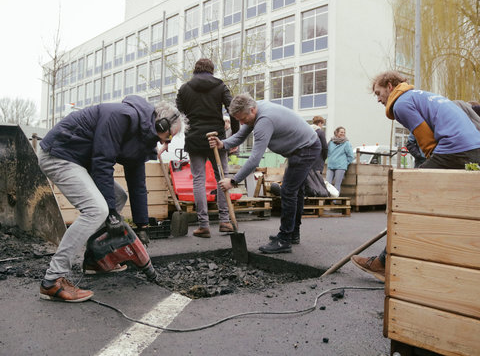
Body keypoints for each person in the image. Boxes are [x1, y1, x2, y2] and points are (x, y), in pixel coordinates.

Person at [37, 96, 184, 302]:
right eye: (168, 136)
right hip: (59, 154)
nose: (165, 142)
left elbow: (137, 182)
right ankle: (53, 280)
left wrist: (142, 226)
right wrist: (112, 215)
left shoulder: (141, 137)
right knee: (97, 210)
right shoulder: (121, 116)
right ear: (162, 123)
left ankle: (94, 260)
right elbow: (102, 163)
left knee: (117, 197)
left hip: (78, 159)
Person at [351, 70, 480, 282]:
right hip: (474, 147)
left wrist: (425, 174)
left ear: (390, 87)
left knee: (408, 198)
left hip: (455, 148)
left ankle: (383, 264)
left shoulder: (401, 103)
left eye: (378, 92)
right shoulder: (419, 95)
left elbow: (426, 141)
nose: (378, 98)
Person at [208, 93, 321, 253]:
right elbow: (240, 136)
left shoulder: (264, 121)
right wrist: (223, 143)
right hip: (303, 147)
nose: (241, 123)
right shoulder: (254, 111)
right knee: (296, 191)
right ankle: (292, 234)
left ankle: (284, 240)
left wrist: (233, 182)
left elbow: (255, 159)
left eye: (242, 119)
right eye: (239, 119)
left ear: (252, 110)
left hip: (306, 149)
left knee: (289, 191)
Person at [176, 58, 239, 238]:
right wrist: (234, 137)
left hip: (195, 138)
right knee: (222, 176)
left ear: (195, 70)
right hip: (216, 138)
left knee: (198, 179)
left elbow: (178, 114)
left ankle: (203, 225)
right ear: (211, 70)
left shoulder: (184, 89)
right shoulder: (220, 86)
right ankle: (225, 221)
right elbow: (233, 109)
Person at [325, 127, 354, 195]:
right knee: (327, 184)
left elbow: (351, 156)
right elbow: (328, 153)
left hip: (340, 167)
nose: (343, 134)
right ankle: (327, 199)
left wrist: (345, 163)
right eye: (341, 132)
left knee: (337, 184)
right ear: (337, 133)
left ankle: (334, 201)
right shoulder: (331, 142)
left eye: (344, 132)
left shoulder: (346, 143)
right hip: (331, 165)